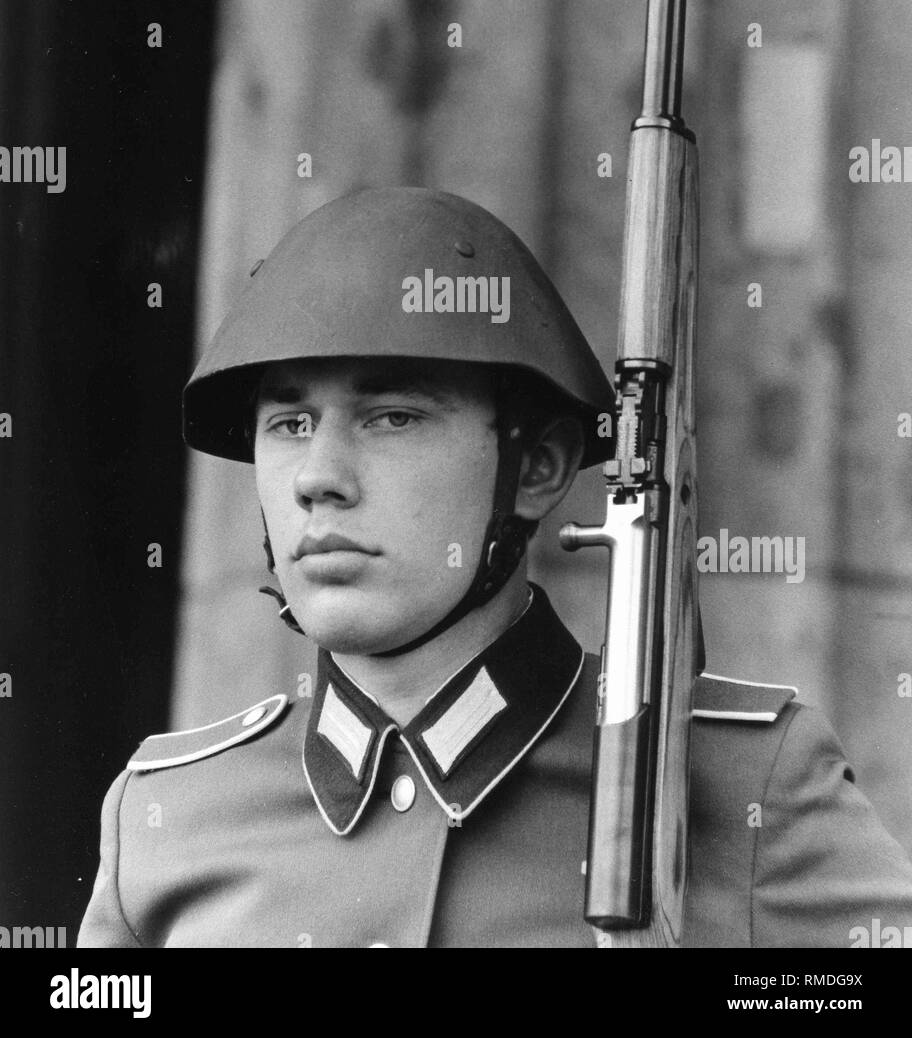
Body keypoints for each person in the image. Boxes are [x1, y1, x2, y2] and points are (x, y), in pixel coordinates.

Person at [78, 187, 912, 948]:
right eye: (290, 423)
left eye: (393, 416)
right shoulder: (170, 818)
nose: (317, 477)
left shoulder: (742, 786)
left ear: (540, 466)